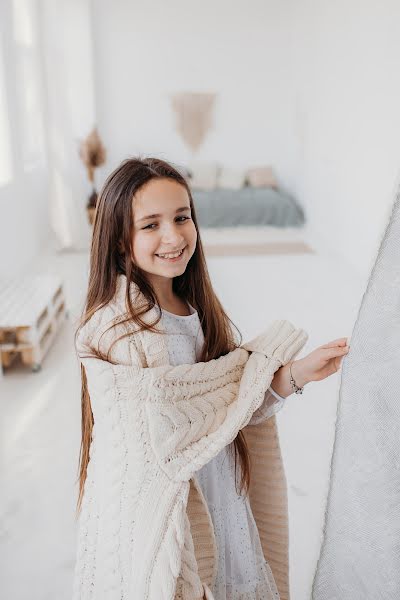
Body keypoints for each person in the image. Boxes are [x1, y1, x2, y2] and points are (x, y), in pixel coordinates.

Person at [72, 157, 350, 600]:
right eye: (150, 225)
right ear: (120, 241)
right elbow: (147, 456)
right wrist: (176, 564)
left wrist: (295, 375)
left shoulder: (194, 309)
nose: (173, 236)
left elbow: (227, 410)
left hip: (222, 502)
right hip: (175, 519)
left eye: (182, 217)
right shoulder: (118, 327)